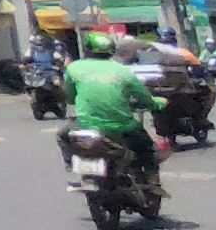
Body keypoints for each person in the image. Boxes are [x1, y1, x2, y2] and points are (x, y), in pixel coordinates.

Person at [64, 31, 161, 187]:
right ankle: (152, 179)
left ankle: (71, 168)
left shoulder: (74, 68)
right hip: (121, 126)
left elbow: (69, 96)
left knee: (63, 136)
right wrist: (155, 104)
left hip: (86, 124)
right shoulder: (124, 71)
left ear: (87, 49)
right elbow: (144, 97)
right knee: (147, 148)